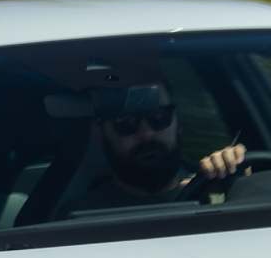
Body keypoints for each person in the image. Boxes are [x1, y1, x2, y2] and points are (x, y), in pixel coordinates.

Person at [63, 84, 247, 214]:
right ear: (100, 134)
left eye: (159, 116)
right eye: (125, 122)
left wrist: (240, 182)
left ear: (177, 122)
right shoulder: (79, 215)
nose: (146, 132)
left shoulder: (219, 195)